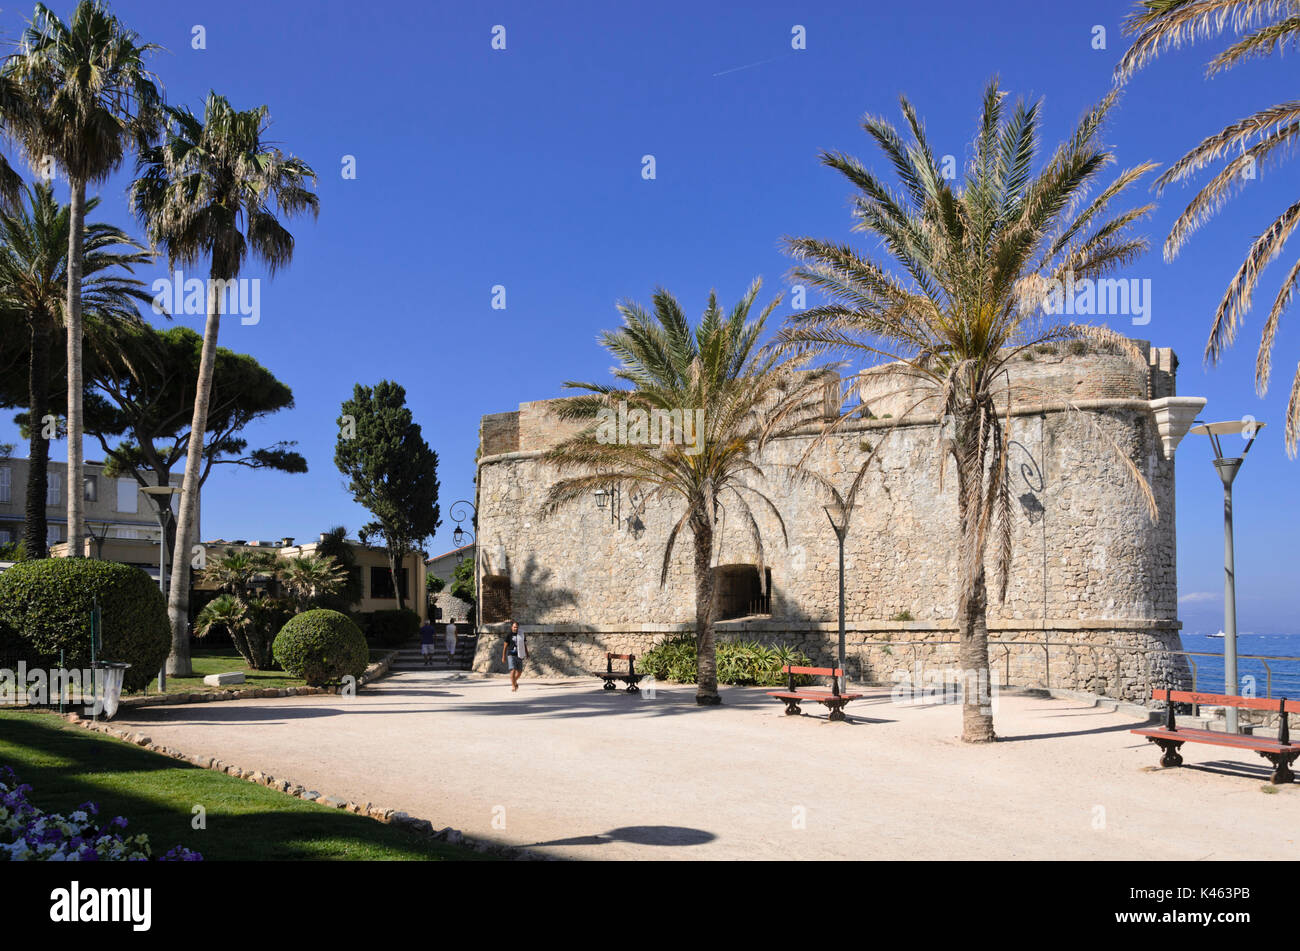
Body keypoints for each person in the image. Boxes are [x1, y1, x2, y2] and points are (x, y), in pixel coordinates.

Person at [500, 620, 525, 691]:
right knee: (513, 670)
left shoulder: (521, 634)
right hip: (511, 655)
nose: (515, 628)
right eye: (514, 627)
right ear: (512, 627)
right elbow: (505, 646)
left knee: (519, 672)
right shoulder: (509, 635)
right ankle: (513, 686)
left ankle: (514, 681)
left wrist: (526, 652)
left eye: (517, 627)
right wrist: (503, 656)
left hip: (519, 654)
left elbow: (524, 644)